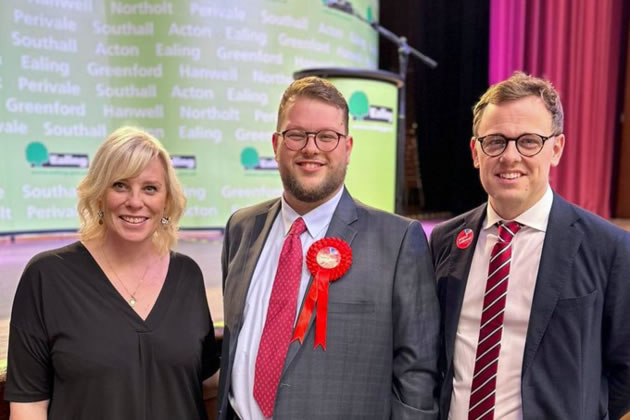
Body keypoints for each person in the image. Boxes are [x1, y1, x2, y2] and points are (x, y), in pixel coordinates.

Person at [216, 76, 440, 419]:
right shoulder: (242, 229)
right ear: (276, 144)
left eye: (326, 136)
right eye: (296, 135)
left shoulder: (397, 242)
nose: (311, 148)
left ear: (347, 148)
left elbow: (417, 375)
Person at [430, 72, 630, 419]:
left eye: (528, 141)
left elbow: (626, 369)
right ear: (476, 152)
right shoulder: (445, 241)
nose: (510, 157)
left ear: (556, 149)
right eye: (495, 141)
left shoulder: (610, 249)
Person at [4, 127, 220, 419]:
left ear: (166, 201)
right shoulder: (47, 277)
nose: (134, 201)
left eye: (150, 188)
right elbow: (29, 406)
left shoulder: (187, 275)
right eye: (120, 185)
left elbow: (206, 384)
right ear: (98, 194)